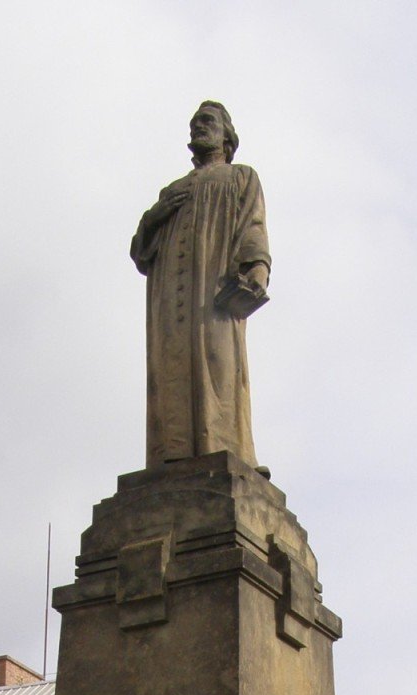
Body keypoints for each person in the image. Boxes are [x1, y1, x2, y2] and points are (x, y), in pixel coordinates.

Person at [131, 102, 271, 469]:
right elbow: (141, 252)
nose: (197, 129)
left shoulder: (241, 177)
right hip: (171, 306)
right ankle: (172, 458)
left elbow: (253, 226)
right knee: (172, 375)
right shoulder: (174, 190)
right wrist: (153, 217)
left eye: (206, 122)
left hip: (215, 298)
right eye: (193, 124)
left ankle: (228, 452)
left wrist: (257, 269)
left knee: (219, 369)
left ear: (227, 135)